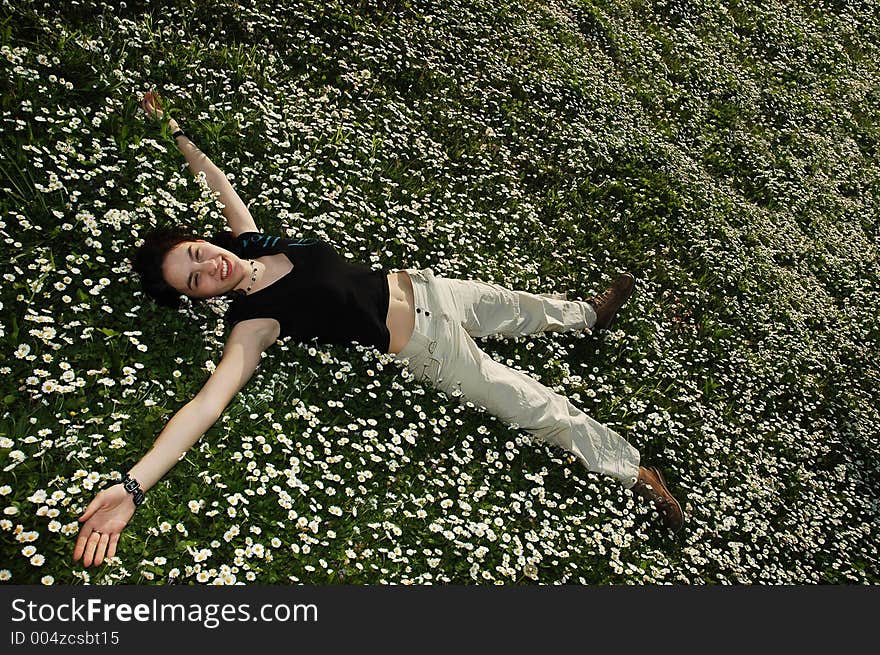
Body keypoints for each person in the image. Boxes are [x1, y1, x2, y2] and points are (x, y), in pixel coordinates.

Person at [72, 91, 683, 569]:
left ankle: (588, 315)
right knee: (538, 406)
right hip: (432, 349)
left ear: (203, 239)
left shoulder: (248, 240)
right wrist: (132, 486)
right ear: (203, 300)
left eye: (198, 253)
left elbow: (221, 184)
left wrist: (174, 133)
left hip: (429, 288)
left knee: (523, 307)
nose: (210, 266)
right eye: (197, 281)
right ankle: (633, 472)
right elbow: (208, 403)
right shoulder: (251, 323)